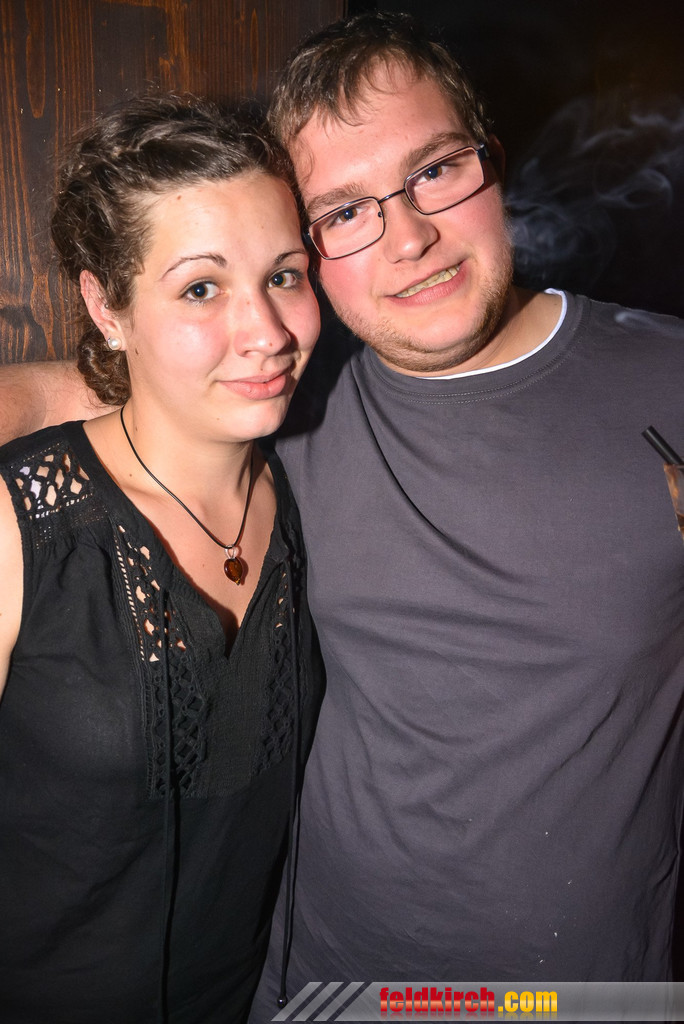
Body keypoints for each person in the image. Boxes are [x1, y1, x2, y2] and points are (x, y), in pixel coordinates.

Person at [1, 10, 683, 1015]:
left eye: (436, 170)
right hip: (328, 994)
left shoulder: (666, 385)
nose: (408, 236)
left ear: (493, 161)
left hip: (588, 998)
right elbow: (124, 387)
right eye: (347, 210)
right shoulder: (292, 397)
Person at [0, 94, 324, 1024]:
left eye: (285, 275)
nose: (267, 332)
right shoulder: (21, 523)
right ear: (106, 306)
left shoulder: (314, 485)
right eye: (200, 289)